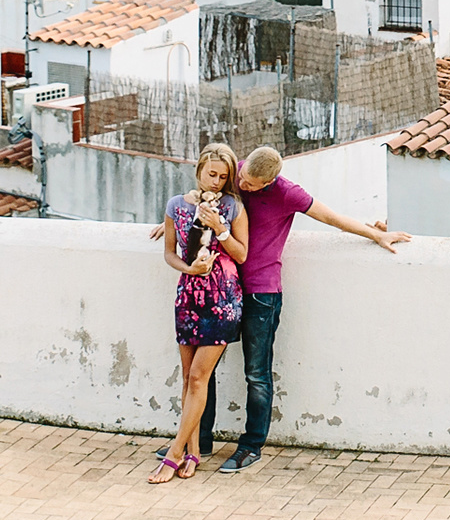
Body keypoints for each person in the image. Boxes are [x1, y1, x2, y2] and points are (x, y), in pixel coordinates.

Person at [197, 144, 410, 473]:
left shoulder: (287, 194)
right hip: (224, 286)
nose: (243, 186)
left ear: (270, 181)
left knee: (256, 373)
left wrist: (374, 234)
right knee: (204, 368)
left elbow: (330, 217)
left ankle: (251, 446)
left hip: (262, 293)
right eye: (242, 178)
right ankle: (201, 439)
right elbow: (204, 195)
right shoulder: (237, 173)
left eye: (252, 184)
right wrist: (170, 223)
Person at [149, 142, 250, 483]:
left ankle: (175, 454)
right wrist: (189, 270)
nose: (217, 182)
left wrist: (219, 227)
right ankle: (193, 450)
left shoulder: (233, 206)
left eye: (223, 177)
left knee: (198, 377)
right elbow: (169, 253)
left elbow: (241, 254)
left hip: (222, 298)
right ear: (199, 171)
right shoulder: (176, 206)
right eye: (212, 174)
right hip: (189, 295)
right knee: (187, 375)